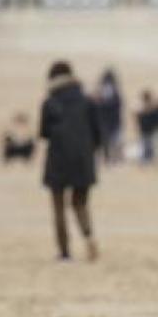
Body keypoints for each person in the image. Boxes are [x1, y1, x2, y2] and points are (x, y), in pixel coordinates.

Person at [38, 61, 101, 262]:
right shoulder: (86, 100)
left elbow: (44, 133)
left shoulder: (50, 103)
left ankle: (64, 252)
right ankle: (88, 235)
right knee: (80, 204)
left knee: (58, 208)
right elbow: (98, 133)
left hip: (58, 159)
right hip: (83, 159)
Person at [96, 68, 124, 164]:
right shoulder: (112, 91)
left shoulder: (104, 91)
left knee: (109, 142)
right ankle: (112, 159)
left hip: (108, 121)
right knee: (111, 142)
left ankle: (111, 159)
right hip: (110, 121)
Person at [136, 90, 158, 164]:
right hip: (145, 129)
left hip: (151, 129)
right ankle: (145, 160)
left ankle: (150, 159)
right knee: (145, 145)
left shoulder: (153, 107)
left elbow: (157, 118)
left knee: (150, 145)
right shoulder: (142, 108)